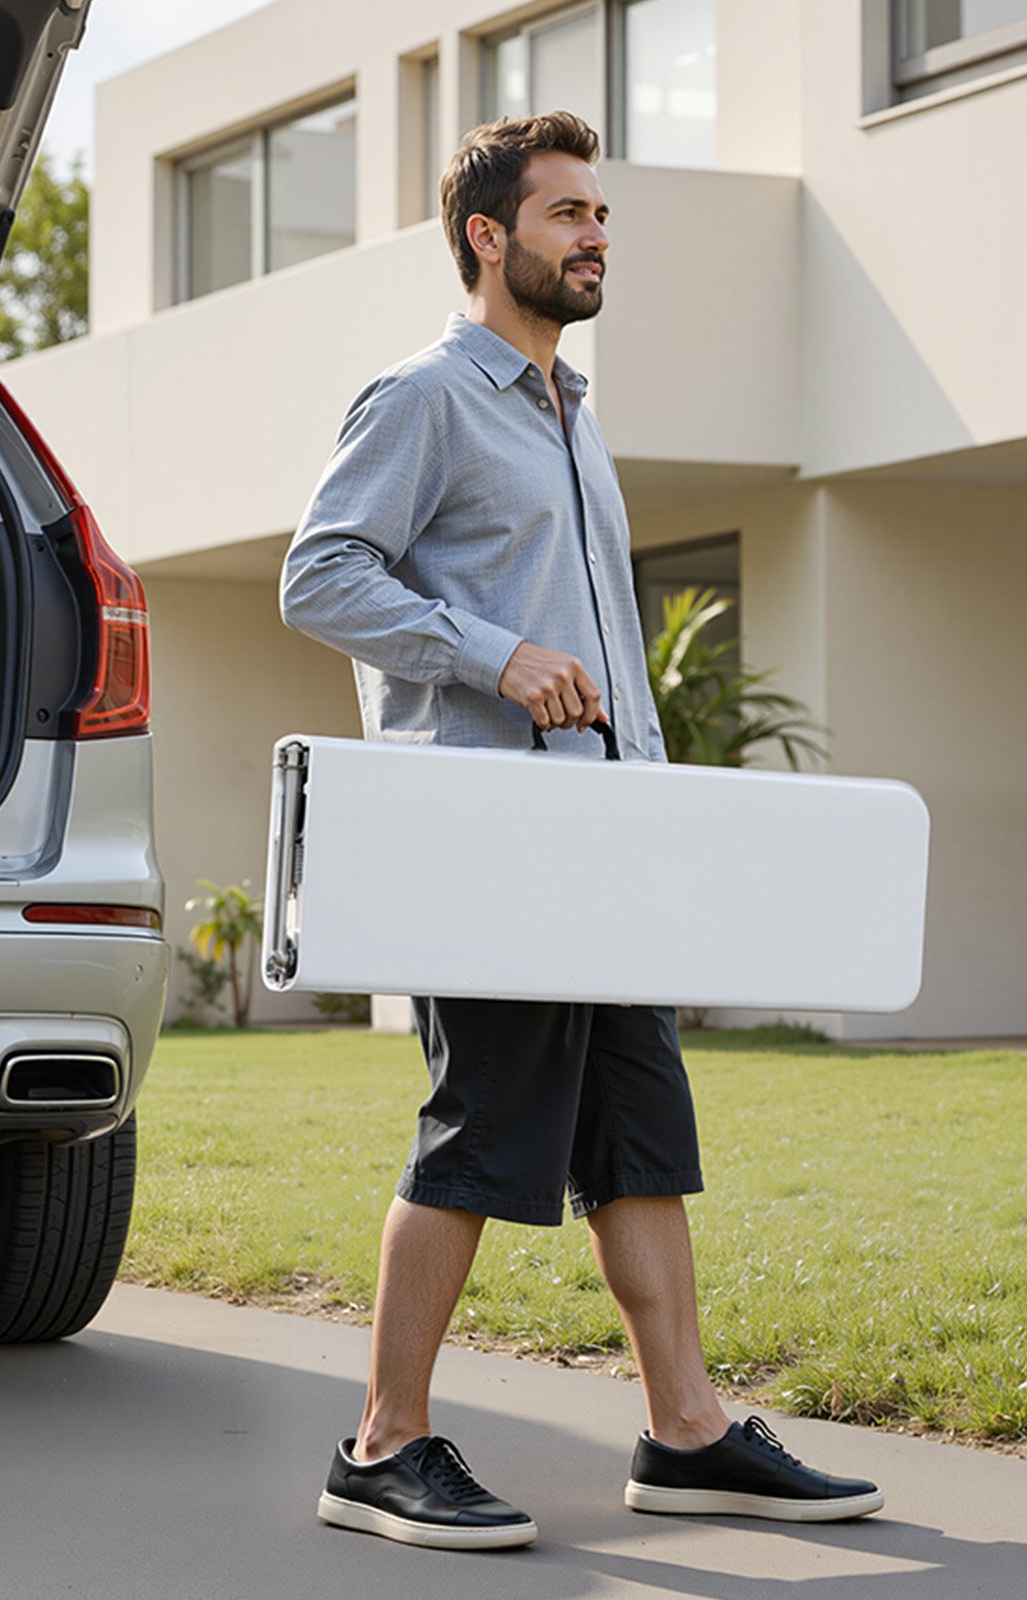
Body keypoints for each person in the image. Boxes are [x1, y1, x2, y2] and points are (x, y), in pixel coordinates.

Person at [280, 110, 883, 1551]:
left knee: (638, 1134)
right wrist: (493, 656)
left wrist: (661, 819)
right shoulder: (426, 396)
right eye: (568, 216)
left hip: (604, 846)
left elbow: (602, 648)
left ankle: (684, 1431)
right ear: (490, 237)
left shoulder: (571, 411)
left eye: (602, 216)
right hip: (488, 848)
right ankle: (380, 1444)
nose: (597, 237)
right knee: (483, 1132)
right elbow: (319, 576)